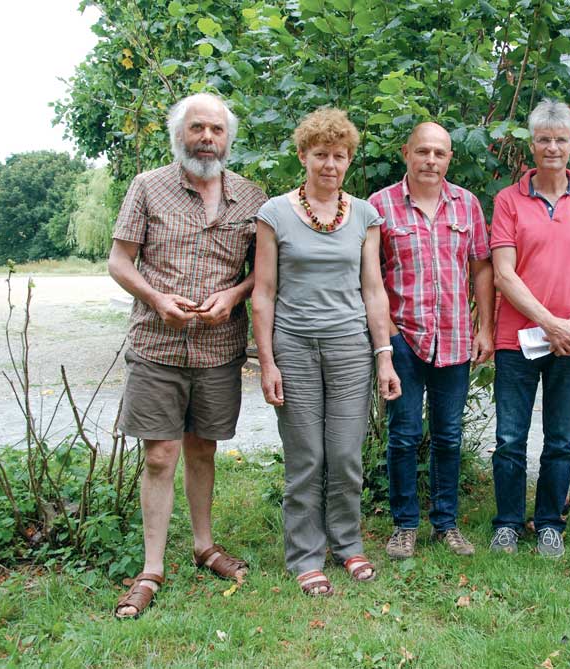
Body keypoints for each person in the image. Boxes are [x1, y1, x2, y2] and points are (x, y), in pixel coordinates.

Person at [109, 93, 267, 619]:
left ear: (228, 139)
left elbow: (261, 272)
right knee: (159, 455)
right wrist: (155, 298)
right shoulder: (148, 187)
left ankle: (204, 546)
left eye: (216, 130)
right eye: (197, 127)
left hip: (220, 347)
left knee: (203, 449)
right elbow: (119, 260)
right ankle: (151, 568)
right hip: (158, 342)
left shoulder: (251, 196)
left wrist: (235, 295)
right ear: (179, 135)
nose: (207, 137)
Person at [251, 108, 401, 597]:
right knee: (307, 455)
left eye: (339, 156)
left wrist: (383, 355)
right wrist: (267, 361)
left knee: (344, 452)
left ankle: (348, 542)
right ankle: (305, 554)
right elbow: (264, 292)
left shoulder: (363, 215)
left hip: (350, 348)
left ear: (349, 160)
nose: (330, 165)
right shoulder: (273, 214)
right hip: (293, 347)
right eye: (320, 155)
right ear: (303, 156)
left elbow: (373, 290)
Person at [490, 100, 570, 558]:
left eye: (561, 139)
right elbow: (504, 273)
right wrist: (550, 323)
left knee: (561, 438)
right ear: (532, 143)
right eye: (544, 139)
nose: (553, 147)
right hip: (516, 341)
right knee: (510, 438)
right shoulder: (508, 200)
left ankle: (549, 524)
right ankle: (506, 522)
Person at [369, 123, 494, 559]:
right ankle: (404, 524)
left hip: (456, 336)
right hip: (403, 337)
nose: (431, 161)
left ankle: (446, 523)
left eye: (439, 153)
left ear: (449, 158)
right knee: (403, 435)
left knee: (449, 435)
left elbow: (481, 267)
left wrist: (485, 328)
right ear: (406, 153)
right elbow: (369, 277)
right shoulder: (379, 206)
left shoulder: (468, 205)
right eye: (422, 151)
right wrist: (386, 337)